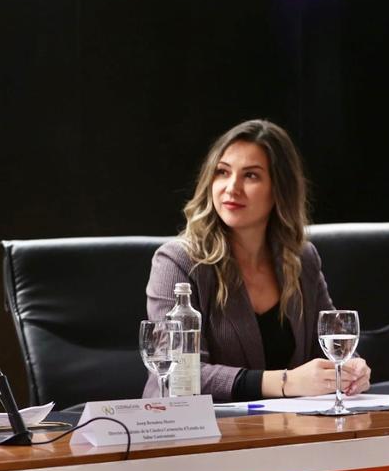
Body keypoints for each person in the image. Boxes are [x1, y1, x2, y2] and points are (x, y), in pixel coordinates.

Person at [144, 119, 371, 401]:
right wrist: (286, 382)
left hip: (282, 433)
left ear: (279, 189)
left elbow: (326, 344)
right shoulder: (177, 261)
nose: (231, 188)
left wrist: (351, 370)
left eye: (250, 176)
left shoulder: (301, 259)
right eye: (222, 172)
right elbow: (177, 373)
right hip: (192, 432)